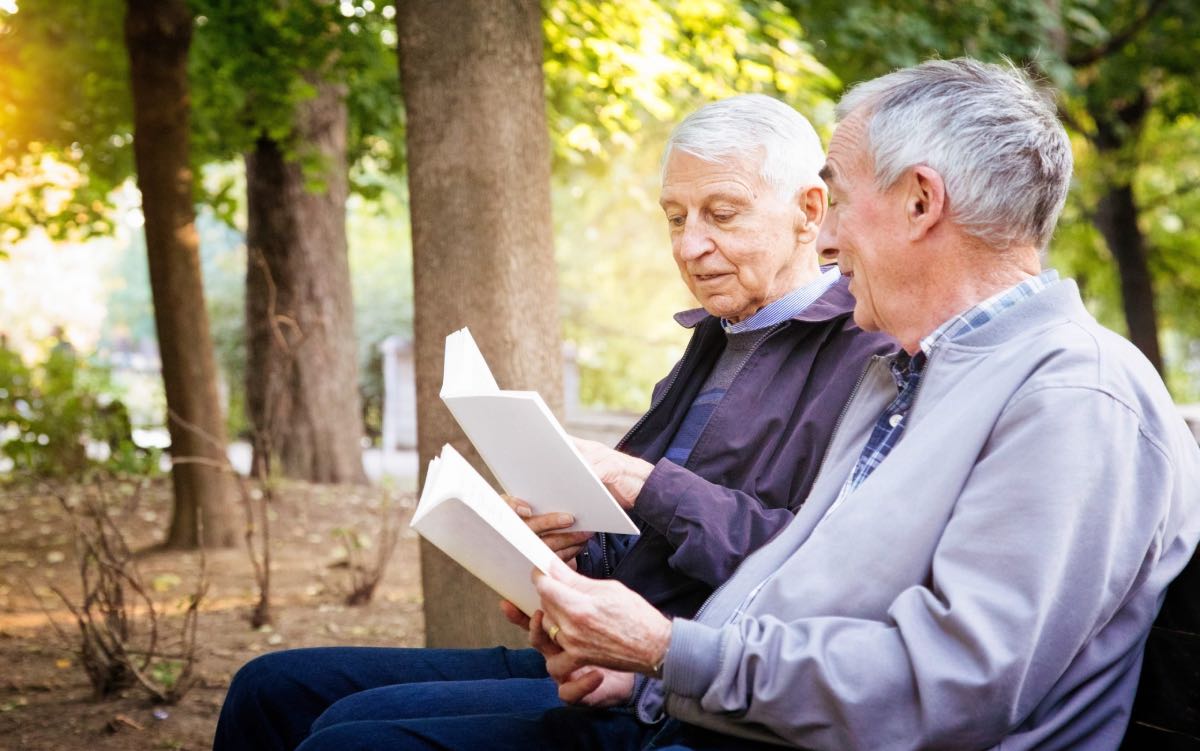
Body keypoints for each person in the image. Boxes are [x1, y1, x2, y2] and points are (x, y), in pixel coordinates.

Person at [497, 58, 1200, 750]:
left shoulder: (1075, 396)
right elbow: (795, 592)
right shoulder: (906, 371)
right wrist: (647, 672)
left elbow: (946, 687)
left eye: (836, 198)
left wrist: (667, 652)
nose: (825, 238)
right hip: (710, 717)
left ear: (920, 201)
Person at [213, 94, 894, 751]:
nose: (691, 246)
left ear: (810, 210)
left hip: (676, 681)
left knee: (348, 735)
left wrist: (640, 481)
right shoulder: (717, 335)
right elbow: (643, 535)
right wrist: (557, 550)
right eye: (675, 218)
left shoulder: (866, 353)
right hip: (589, 651)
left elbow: (814, 563)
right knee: (268, 686)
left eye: (721, 214)